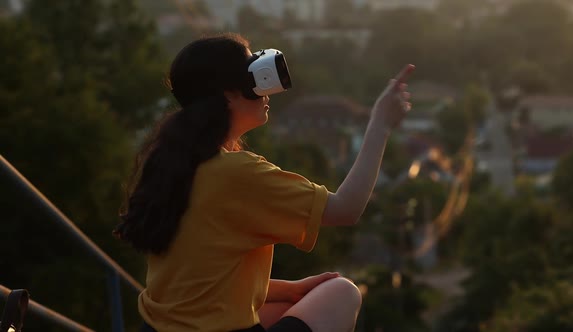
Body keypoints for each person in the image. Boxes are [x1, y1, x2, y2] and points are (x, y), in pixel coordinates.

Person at [113, 32, 413, 332]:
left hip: (156, 328)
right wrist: (381, 123)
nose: (267, 89)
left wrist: (292, 289)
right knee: (343, 293)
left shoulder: (169, 162)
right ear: (228, 93)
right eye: (253, 76)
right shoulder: (236, 173)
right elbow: (346, 209)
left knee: (287, 305)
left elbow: (201, 280)